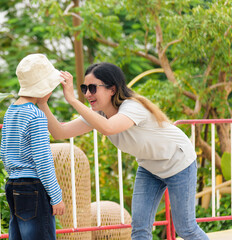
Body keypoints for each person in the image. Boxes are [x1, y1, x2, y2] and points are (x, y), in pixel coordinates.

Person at [37, 62, 209, 240]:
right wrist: (42, 103)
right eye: (84, 88)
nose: (87, 94)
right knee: (140, 229)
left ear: (112, 89)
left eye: (92, 88)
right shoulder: (99, 114)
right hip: (150, 167)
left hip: (179, 163)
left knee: (186, 229)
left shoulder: (132, 107)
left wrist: (73, 100)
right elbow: (59, 132)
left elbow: (109, 128)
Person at [0, 53, 65, 240]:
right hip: (34, 186)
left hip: (13, 184)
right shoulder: (36, 116)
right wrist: (56, 196)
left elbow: (4, 152)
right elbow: (43, 161)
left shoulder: (11, 111)